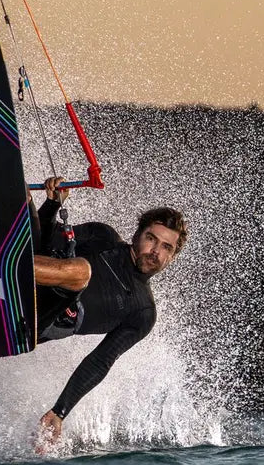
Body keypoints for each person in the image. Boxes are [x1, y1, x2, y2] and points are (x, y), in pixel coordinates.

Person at [31, 176, 187, 450]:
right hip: (31, 284)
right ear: (137, 235)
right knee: (24, 205)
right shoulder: (102, 237)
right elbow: (44, 239)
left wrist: (60, 411)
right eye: (151, 239)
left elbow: (100, 360)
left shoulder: (142, 312)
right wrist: (52, 204)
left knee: (82, 272)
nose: (155, 251)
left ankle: (5, 268)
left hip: (32, 325)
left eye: (166, 248)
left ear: (172, 258)